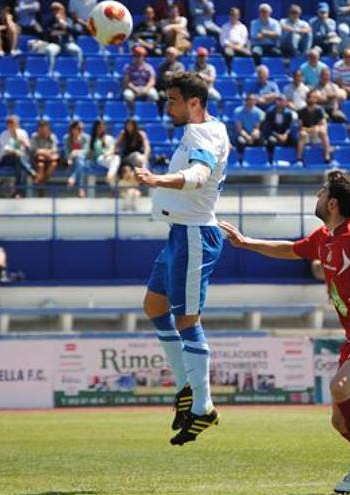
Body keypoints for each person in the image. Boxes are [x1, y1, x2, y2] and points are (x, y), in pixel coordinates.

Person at [219, 171, 350, 494]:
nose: (317, 195)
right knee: (340, 422)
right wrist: (245, 243)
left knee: (340, 385)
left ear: (334, 203)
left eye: (323, 192)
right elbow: (289, 249)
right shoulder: (325, 237)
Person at [133, 71, 230, 446]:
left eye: (172, 99)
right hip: (181, 234)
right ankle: (187, 386)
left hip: (194, 234)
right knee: (154, 306)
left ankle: (203, 406)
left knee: (187, 319)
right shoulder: (213, 128)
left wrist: (157, 179)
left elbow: (200, 175)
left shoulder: (200, 133)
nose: (167, 106)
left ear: (194, 103)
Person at [0, 115, 36, 198]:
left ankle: (18, 193)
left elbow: (28, 146)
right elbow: (6, 150)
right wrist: (16, 151)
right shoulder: (4, 134)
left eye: (15, 124)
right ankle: (31, 171)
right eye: (10, 124)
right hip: (5, 158)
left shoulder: (22, 133)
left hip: (20, 158)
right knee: (18, 158)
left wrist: (23, 142)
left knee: (20, 168)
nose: (13, 126)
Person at [297, 90, 332, 163]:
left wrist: (316, 128)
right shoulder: (301, 111)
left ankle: (327, 155)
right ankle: (299, 158)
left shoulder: (319, 110)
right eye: (310, 97)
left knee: (323, 132)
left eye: (314, 98)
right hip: (307, 132)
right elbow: (300, 127)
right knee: (302, 134)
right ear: (307, 99)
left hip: (317, 132)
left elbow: (323, 124)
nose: (312, 99)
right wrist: (309, 129)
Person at [30, 119, 60, 192]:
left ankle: (42, 182)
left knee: (54, 164)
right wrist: (46, 153)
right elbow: (35, 150)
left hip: (50, 159)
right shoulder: (34, 136)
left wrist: (44, 152)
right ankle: (42, 184)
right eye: (41, 128)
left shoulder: (52, 137)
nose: (43, 130)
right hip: (38, 159)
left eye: (45, 128)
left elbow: (54, 149)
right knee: (41, 164)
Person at [88, 120, 120, 184]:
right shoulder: (92, 139)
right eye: (99, 127)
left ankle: (109, 177)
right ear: (96, 128)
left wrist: (108, 153)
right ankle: (111, 178)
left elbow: (113, 149)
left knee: (116, 158)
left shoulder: (108, 138)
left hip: (109, 158)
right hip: (100, 159)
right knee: (115, 163)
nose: (101, 129)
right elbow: (90, 152)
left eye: (102, 127)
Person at [64, 120, 90, 196]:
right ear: (73, 129)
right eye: (79, 128)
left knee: (80, 160)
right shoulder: (66, 138)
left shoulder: (86, 137)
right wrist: (70, 157)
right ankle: (80, 189)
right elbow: (66, 153)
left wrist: (75, 152)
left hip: (84, 159)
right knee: (80, 163)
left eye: (82, 129)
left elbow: (86, 151)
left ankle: (73, 178)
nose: (81, 130)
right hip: (71, 161)